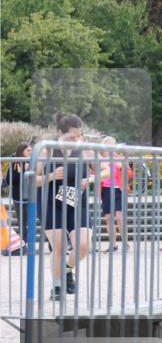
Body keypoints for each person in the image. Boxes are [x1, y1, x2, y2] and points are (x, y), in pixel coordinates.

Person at [35, 113, 106, 301]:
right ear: (60, 133)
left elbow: (106, 171)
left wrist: (89, 178)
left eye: (79, 136)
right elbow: (32, 179)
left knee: (83, 246)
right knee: (58, 246)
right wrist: (50, 177)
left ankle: (67, 271)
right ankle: (57, 287)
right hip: (51, 202)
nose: (76, 140)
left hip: (77, 201)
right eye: (71, 137)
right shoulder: (46, 150)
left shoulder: (86, 149)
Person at [99, 137, 129, 253]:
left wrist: (120, 165)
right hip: (106, 189)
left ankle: (125, 242)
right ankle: (113, 245)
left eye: (112, 146)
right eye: (107, 147)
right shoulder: (101, 159)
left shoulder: (119, 158)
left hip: (119, 190)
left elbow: (127, 172)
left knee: (119, 217)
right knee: (108, 218)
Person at [2, 142, 32, 256]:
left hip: (32, 197)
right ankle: (23, 245)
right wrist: (19, 173)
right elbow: (10, 182)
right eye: (28, 150)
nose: (31, 152)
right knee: (22, 222)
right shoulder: (15, 164)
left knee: (32, 221)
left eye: (31, 150)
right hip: (19, 198)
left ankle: (31, 245)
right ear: (22, 152)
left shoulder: (34, 163)